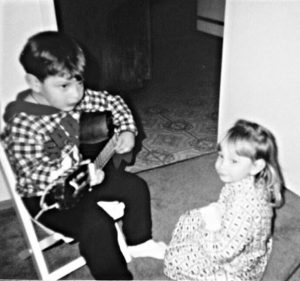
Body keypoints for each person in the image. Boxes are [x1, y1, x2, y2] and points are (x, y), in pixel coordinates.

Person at [1, 31, 166, 280]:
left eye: (78, 81)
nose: (76, 93)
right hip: (48, 198)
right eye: (64, 85)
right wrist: (80, 174)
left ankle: (138, 241)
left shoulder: (70, 100)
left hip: (84, 178)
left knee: (135, 187)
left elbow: (114, 102)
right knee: (97, 226)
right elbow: (34, 174)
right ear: (35, 83)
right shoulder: (24, 125)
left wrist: (127, 130)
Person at [164, 119, 284, 281]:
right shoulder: (243, 179)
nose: (221, 165)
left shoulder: (245, 207)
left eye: (233, 161)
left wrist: (205, 232)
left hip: (237, 263)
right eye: (221, 156)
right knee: (189, 219)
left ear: (256, 166)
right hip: (233, 231)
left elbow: (222, 251)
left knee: (175, 260)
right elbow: (227, 204)